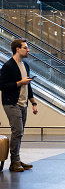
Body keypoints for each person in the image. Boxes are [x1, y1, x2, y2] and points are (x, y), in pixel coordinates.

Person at [0, 38, 38, 172]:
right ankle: (14, 162)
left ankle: (17, 159)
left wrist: (33, 103)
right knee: (17, 131)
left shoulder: (25, 65)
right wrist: (19, 83)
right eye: (25, 47)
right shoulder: (8, 66)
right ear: (17, 49)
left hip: (23, 104)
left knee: (19, 133)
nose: (28, 50)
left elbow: (29, 85)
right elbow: (2, 85)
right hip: (11, 103)